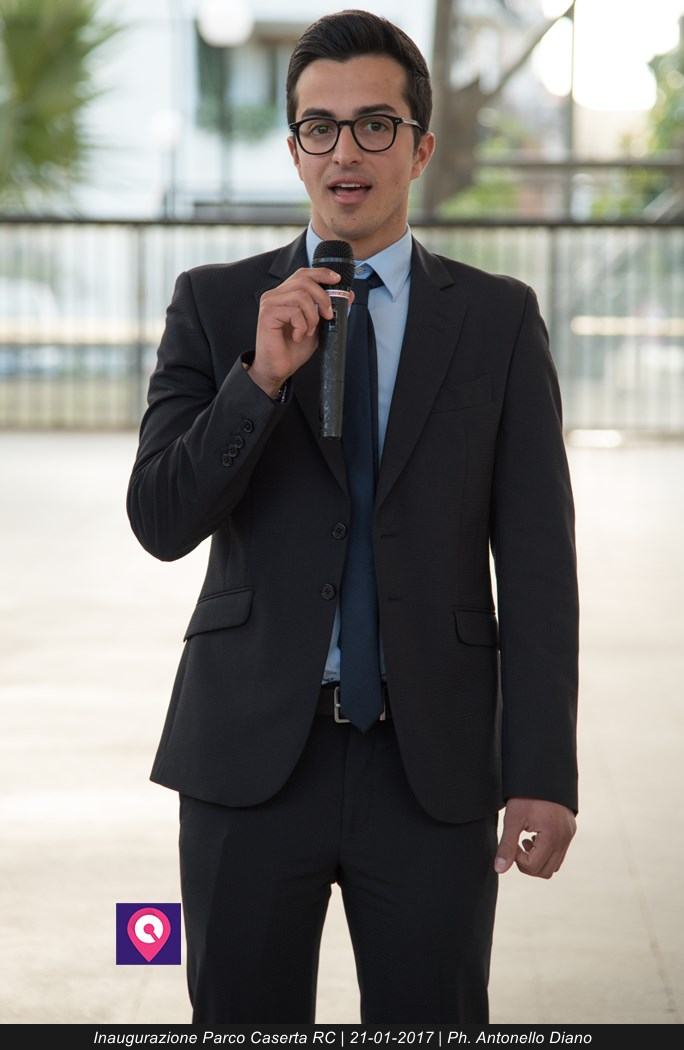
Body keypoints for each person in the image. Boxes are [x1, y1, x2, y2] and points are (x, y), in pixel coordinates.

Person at [126, 9, 579, 1026]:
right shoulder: (215, 304)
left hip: (432, 764)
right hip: (248, 754)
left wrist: (544, 772)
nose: (346, 151)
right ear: (293, 149)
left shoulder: (498, 319)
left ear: (421, 147)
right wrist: (257, 380)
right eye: (319, 127)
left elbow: (540, 564)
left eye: (376, 125)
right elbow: (159, 518)